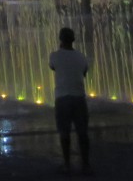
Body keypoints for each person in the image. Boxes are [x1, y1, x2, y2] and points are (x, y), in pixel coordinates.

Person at [49, 27, 92, 175]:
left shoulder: (54, 55)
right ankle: (85, 164)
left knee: (64, 133)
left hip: (62, 99)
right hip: (79, 97)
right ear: (73, 40)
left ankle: (67, 164)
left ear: (60, 40)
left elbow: (53, 67)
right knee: (82, 133)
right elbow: (84, 72)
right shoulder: (81, 56)